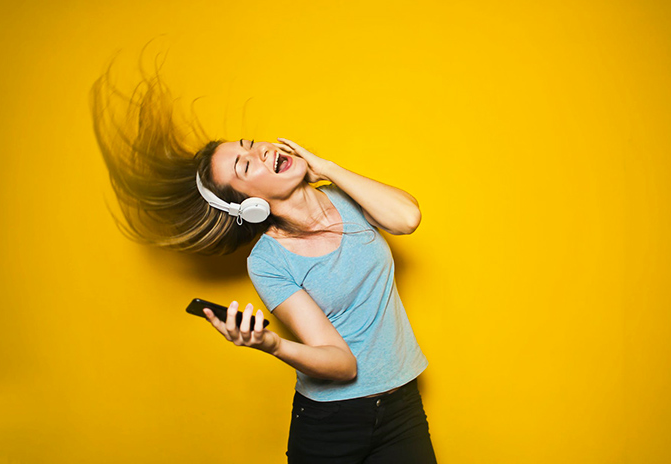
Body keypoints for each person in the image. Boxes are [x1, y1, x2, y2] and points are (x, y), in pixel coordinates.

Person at [91, 70, 437, 463]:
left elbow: (407, 218)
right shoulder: (269, 261)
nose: (261, 152)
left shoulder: (347, 197)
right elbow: (341, 365)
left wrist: (325, 167)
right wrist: (271, 344)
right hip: (332, 424)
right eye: (244, 166)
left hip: (402, 404)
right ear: (249, 205)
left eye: (251, 145)